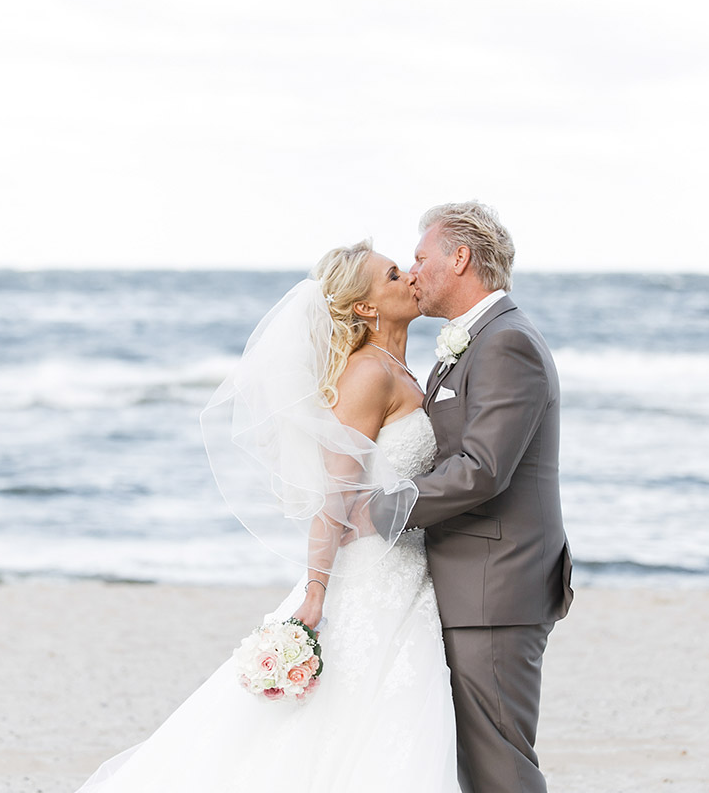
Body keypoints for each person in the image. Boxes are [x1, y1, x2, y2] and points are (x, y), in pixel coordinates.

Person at [75, 240, 459, 791]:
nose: (410, 278)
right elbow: (336, 497)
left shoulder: (403, 369)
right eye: (394, 274)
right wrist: (317, 591)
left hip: (410, 569)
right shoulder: (367, 376)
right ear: (368, 308)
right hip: (372, 569)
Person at [404, 201, 573, 793]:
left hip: (495, 591)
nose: (413, 270)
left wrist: (381, 509)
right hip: (473, 585)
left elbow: (481, 469)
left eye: (421, 257)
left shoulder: (506, 344)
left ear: (460, 258)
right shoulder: (478, 341)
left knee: (500, 768)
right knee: (475, 766)